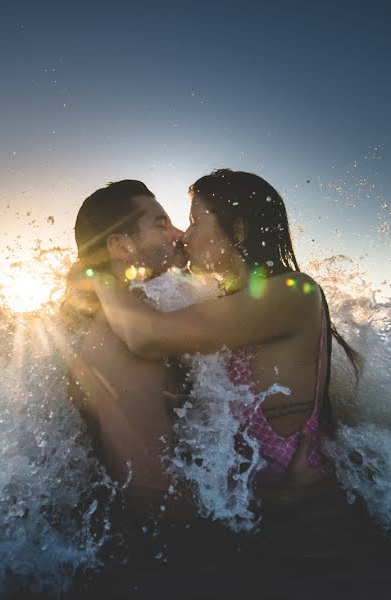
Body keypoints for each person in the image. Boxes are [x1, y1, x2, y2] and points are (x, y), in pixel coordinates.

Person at [88, 169, 363, 488]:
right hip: (259, 511)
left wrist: (98, 274)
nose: (184, 236)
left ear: (239, 230)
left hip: (305, 522)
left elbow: (146, 336)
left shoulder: (293, 292)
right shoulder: (226, 300)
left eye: (194, 222)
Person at [61, 179, 190, 516]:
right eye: (161, 223)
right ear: (121, 246)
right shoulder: (120, 341)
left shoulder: (143, 316)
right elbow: (152, 490)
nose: (179, 234)